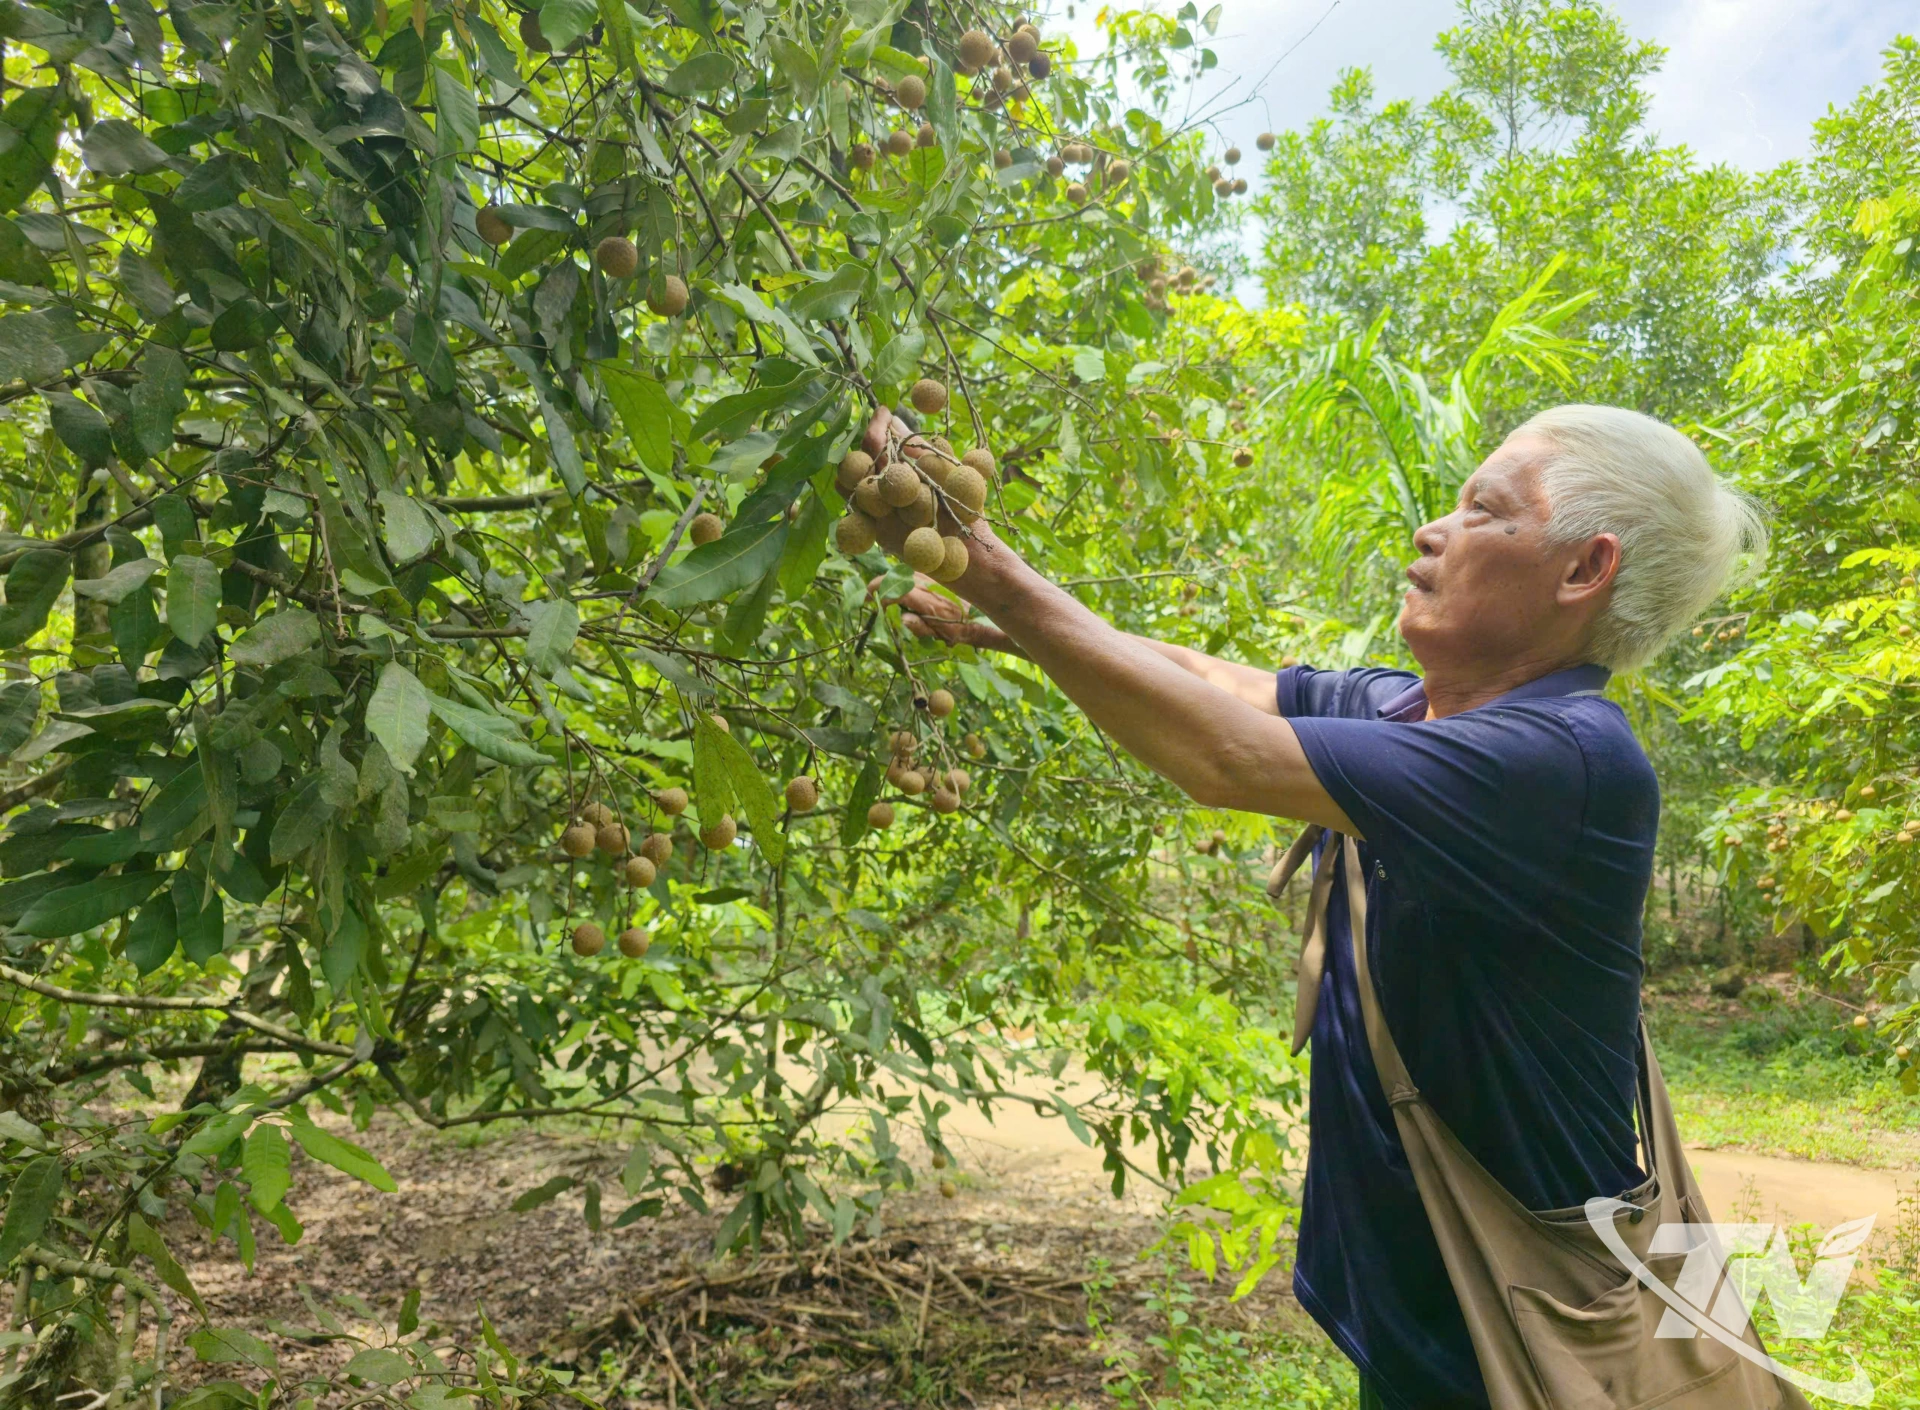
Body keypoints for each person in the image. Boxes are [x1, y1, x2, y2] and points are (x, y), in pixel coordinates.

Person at [861, 403, 1766, 1410]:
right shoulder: (1414, 711)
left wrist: (991, 570)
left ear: (1583, 570)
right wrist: (1014, 623)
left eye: (1483, 511)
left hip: (1519, 1321)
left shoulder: (1564, 763)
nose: (1434, 530)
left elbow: (1226, 755)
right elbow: (1218, 685)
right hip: (1435, 1296)